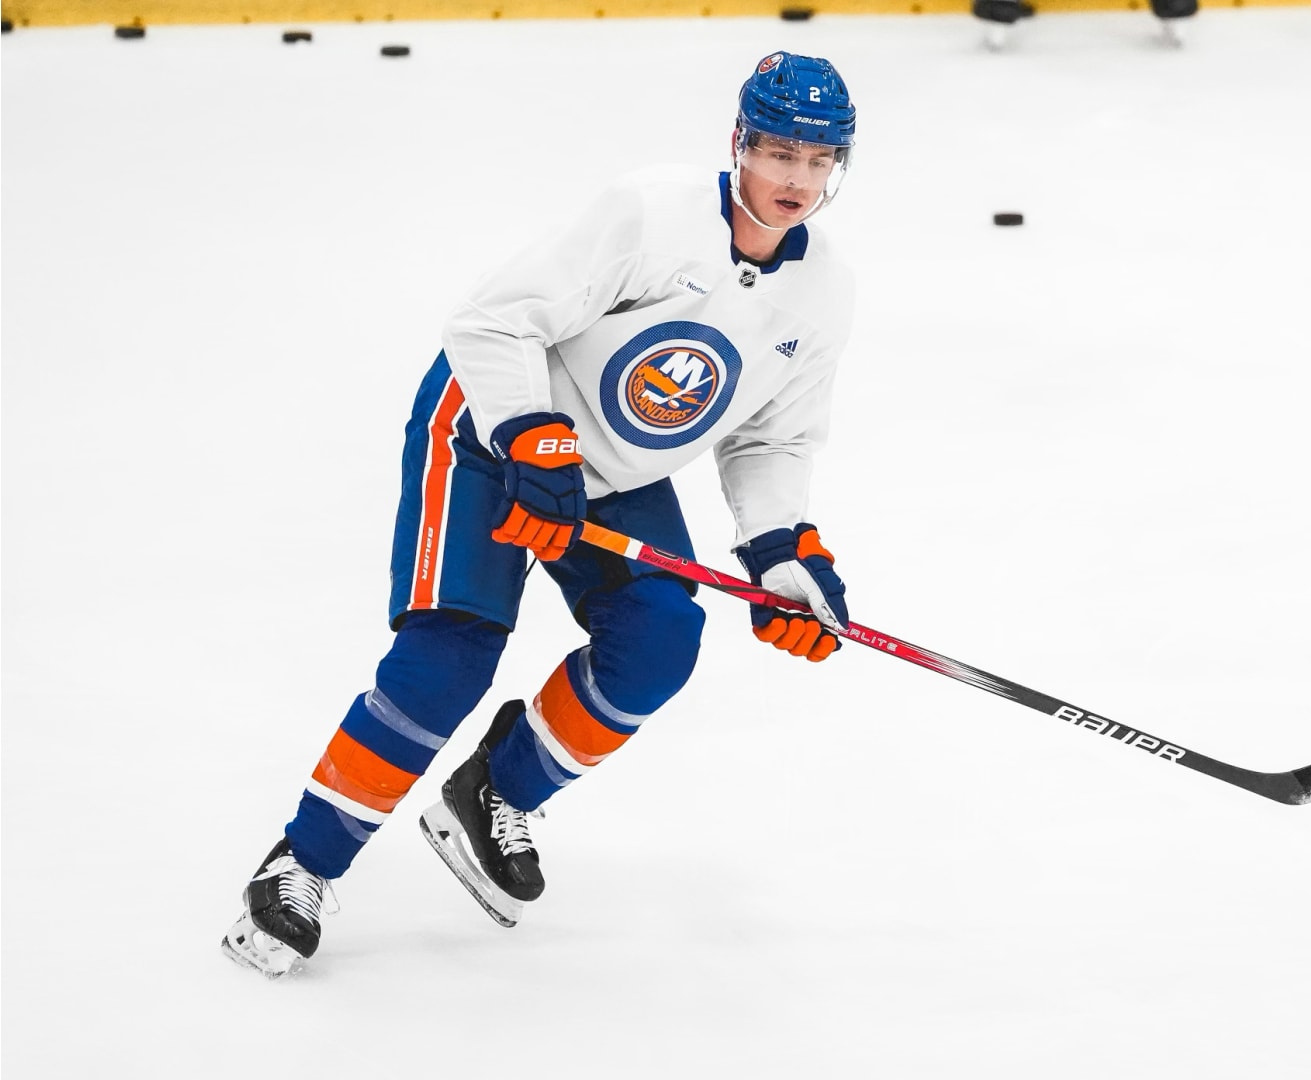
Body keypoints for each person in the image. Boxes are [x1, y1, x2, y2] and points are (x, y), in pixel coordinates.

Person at [220, 50, 861, 979]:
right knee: (451, 656)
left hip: (608, 471)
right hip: (489, 429)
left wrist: (777, 549)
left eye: (818, 161)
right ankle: (301, 863)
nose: (797, 180)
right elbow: (492, 322)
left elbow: (773, 439)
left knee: (659, 638)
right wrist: (529, 434)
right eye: (779, 154)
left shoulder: (825, 290)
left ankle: (496, 792)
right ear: (739, 145)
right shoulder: (653, 213)